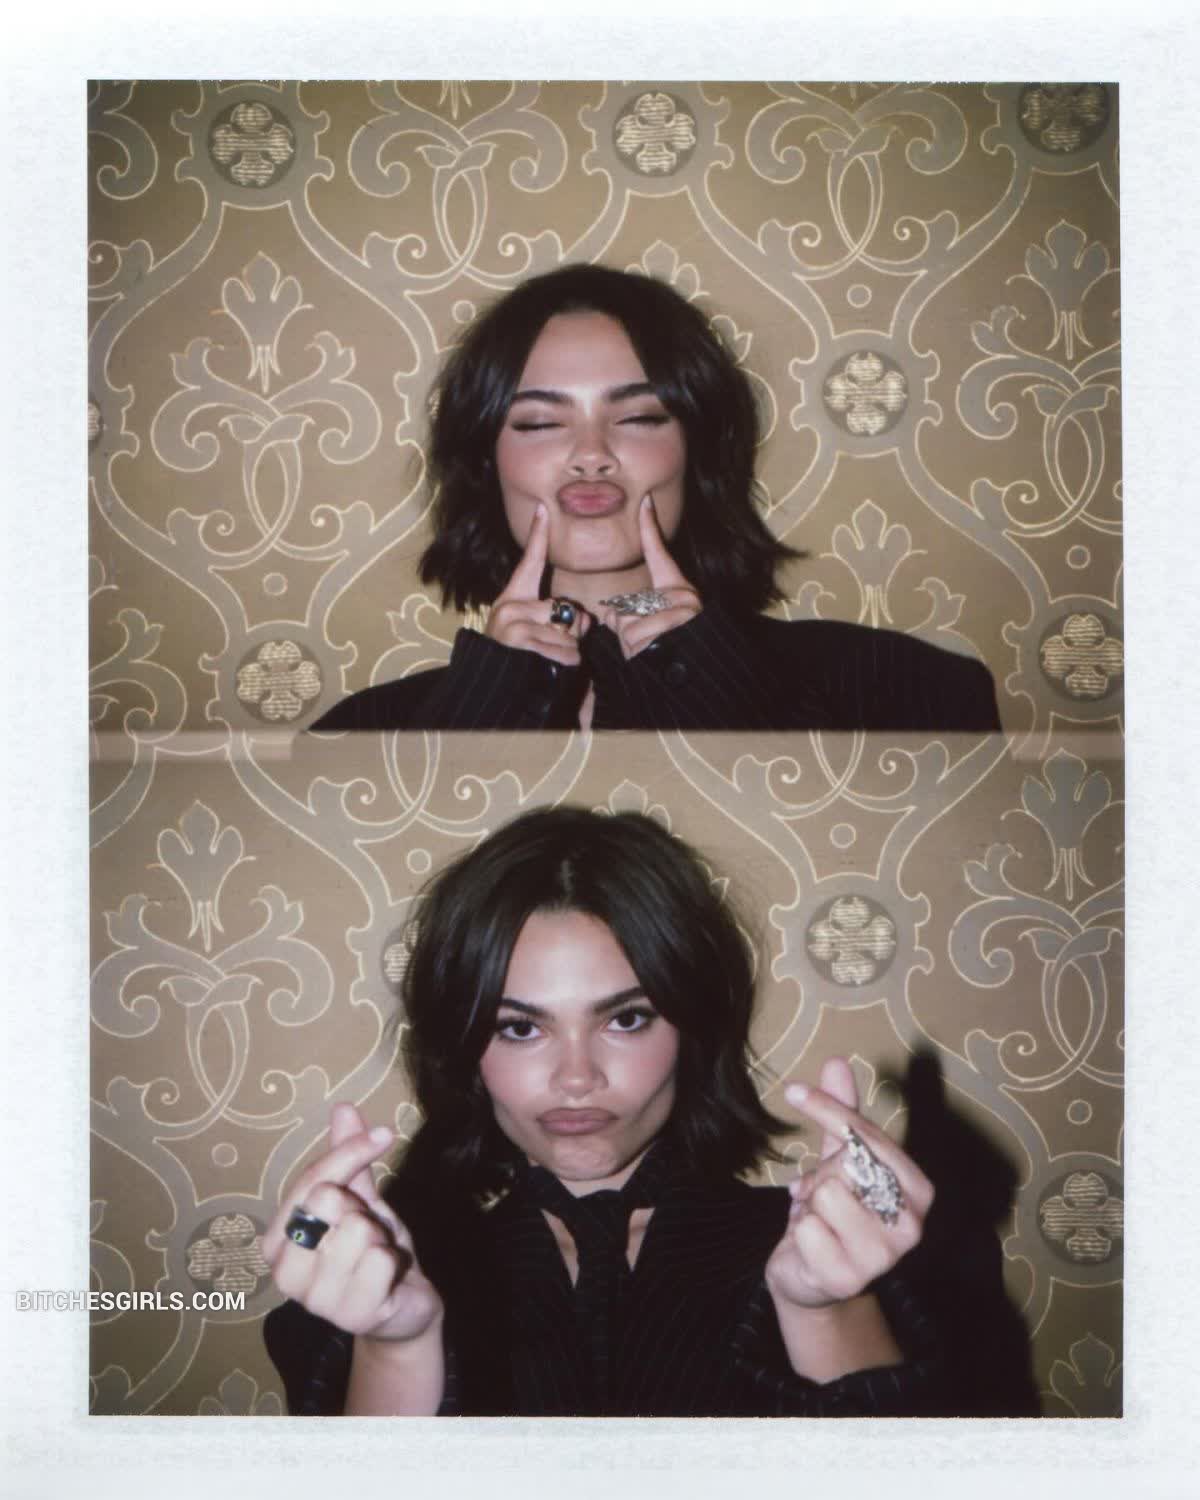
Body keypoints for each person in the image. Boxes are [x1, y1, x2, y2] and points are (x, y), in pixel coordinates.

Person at [262, 806, 944, 1416]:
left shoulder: (844, 1256)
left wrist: (824, 1311)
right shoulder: (370, 1281)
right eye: (519, 1028)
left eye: (626, 1019)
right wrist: (394, 1349)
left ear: (691, 1029)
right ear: (466, 1051)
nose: (576, 1078)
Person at [310, 264, 1001, 734]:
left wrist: (707, 680)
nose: (591, 452)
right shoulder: (360, 736)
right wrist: (486, 705)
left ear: (697, 450)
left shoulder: (906, 691)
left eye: (639, 417)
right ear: (485, 463)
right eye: (540, 423)